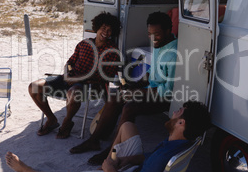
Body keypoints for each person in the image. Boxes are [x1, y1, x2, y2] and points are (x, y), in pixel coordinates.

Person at [6, 100, 211, 172]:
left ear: (181, 122)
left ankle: (26, 170)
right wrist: (126, 159)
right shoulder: (182, 144)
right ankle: (105, 161)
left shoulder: (162, 158)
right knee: (127, 125)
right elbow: (151, 159)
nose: (174, 112)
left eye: (178, 112)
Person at [70, 11, 178, 163]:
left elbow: (167, 91)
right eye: (150, 34)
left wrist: (137, 92)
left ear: (168, 30)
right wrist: (134, 84)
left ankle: (112, 149)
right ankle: (94, 139)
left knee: (129, 107)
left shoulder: (173, 54)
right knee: (115, 96)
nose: (152, 38)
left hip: (163, 97)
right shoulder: (160, 44)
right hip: (149, 90)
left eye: (157, 34)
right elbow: (151, 72)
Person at [29, 12, 120, 139]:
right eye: (103, 28)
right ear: (97, 27)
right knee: (34, 86)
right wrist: (67, 74)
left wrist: (78, 79)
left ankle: (67, 122)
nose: (106, 32)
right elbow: (70, 62)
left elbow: (106, 76)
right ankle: (51, 119)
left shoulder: (112, 51)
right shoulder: (84, 43)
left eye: (110, 30)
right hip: (69, 78)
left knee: (73, 92)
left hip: (90, 85)